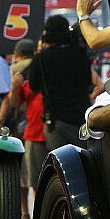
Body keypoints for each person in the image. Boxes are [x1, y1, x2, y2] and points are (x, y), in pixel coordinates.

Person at [27, 16, 93, 149]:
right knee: (84, 161)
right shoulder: (81, 55)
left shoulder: (41, 58)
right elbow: (88, 83)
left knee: (60, 163)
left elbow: (33, 86)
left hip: (56, 122)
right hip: (81, 119)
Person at [0, 38, 37, 219]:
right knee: (34, 172)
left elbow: (12, 101)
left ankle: (24, 212)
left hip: (19, 124)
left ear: (17, 54)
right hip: (36, 121)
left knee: (21, 172)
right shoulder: (39, 66)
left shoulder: (15, 70)